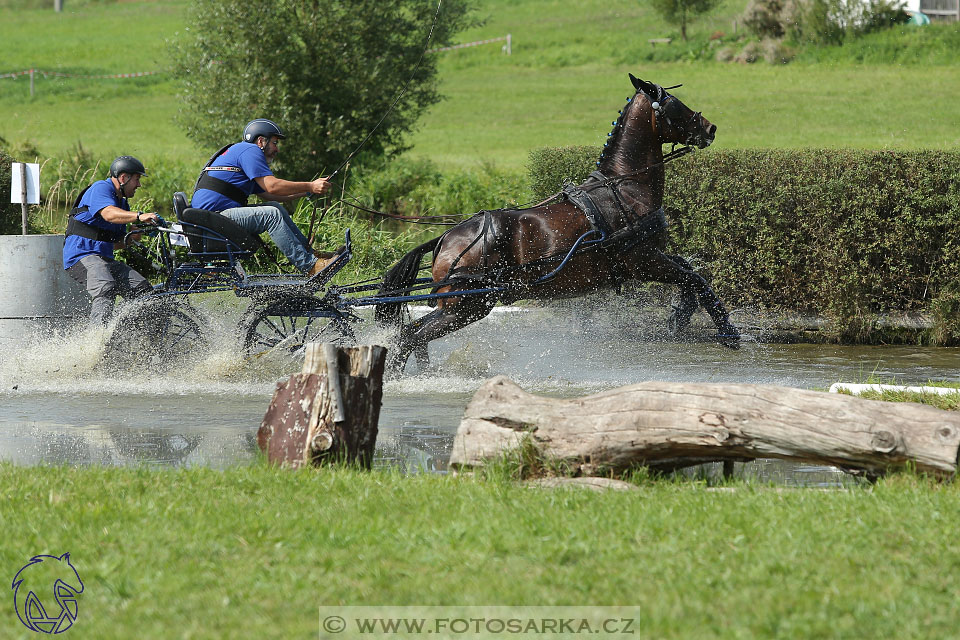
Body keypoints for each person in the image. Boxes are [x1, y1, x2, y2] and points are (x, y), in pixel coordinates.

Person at [190, 119, 340, 276]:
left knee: (274, 207)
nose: (277, 149)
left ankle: (311, 256)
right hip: (211, 220)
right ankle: (311, 267)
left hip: (212, 218)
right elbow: (272, 186)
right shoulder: (250, 150)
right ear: (261, 141)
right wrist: (310, 185)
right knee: (271, 215)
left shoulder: (241, 155)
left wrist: (309, 192)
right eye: (275, 143)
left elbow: (270, 194)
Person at [63, 156, 160, 326]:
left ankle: (141, 339)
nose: (139, 185)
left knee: (144, 291)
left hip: (104, 259)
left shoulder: (123, 205)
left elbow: (115, 243)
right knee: (105, 286)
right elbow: (108, 213)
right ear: (123, 178)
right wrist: (139, 216)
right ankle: (97, 342)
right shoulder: (101, 187)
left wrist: (133, 237)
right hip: (81, 256)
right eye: (137, 179)